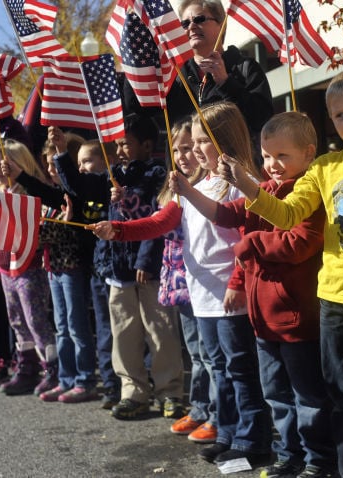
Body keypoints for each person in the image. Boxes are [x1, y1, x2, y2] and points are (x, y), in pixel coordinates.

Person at [216, 67, 343, 477]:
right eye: (340, 115)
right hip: (333, 300)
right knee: (342, 395)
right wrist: (250, 189)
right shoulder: (325, 166)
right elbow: (289, 213)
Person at [93, 102, 272, 469]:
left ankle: (253, 439)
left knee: (239, 370)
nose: (196, 149)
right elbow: (159, 222)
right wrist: (119, 230)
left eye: (203, 141)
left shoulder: (240, 185)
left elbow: (248, 238)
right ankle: (227, 431)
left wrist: (237, 282)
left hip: (230, 295)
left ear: (224, 141)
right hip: (202, 294)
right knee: (216, 368)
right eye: (194, 142)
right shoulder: (195, 186)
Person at [170, 111, 336, 477]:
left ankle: (318, 460)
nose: (273, 165)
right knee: (276, 394)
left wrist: (250, 244)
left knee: (306, 396)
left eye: (282, 156)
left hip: (296, 317)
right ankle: (289, 454)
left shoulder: (307, 192)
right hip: (264, 319)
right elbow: (226, 214)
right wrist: (187, 191)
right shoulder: (266, 190)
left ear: (309, 154)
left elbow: (299, 243)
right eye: (267, 156)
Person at [93, 114, 184, 420]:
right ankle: (133, 391)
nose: (119, 150)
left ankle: (170, 391)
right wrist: (63, 154)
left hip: (149, 269)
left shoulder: (158, 174)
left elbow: (158, 219)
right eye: (116, 143)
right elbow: (81, 187)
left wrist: (147, 258)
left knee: (160, 330)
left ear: (146, 145)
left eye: (125, 143)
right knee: (124, 333)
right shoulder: (114, 175)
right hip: (117, 269)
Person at [1, 139, 100, 404]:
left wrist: (48, 229)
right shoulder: (51, 195)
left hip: (72, 267)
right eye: (47, 163)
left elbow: (58, 230)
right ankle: (66, 378)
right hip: (53, 267)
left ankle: (85, 379)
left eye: (54, 162)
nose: (50, 167)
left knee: (77, 327)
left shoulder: (72, 195)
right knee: (62, 327)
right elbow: (43, 231)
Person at [124, 0, 273, 163]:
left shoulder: (245, 68)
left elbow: (262, 120)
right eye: (185, 23)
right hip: (185, 175)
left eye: (200, 19)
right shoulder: (174, 72)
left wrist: (225, 82)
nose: (192, 26)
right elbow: (140, 107)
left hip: (233, 173)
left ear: (221, 24)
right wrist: (135, 60)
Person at [50, 128, 122, 410]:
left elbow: (78, 183)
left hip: (124, 271)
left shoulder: (112, 185)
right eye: (76, 162)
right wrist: (59, 154)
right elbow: (75, 185)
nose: (80, 168)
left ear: (107, 162)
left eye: (86, 162)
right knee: (104, 330)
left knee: (129, 332)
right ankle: (112, 386)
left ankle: (142, 382)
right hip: (98, 270)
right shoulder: (84, 187)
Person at [157, 121, 218, 443]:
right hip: (180, 281)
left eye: (188, 148)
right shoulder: (172, 188)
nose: (183, 155)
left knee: (210, 355)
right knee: (194, 352)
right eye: (177, 149)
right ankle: (201, 407)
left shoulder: (203, 187)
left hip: (205, 282)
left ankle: (216, 414)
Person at [0, 142, 58, 397]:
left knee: (35, 318)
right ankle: (26, 368)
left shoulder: (29, 195)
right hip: (6, 270)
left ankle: (52, 367)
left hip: (29, 267)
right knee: (16, 319)